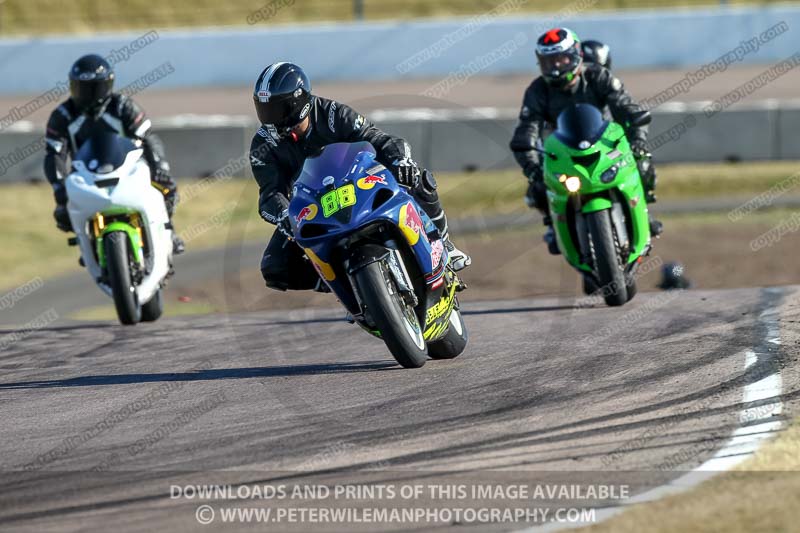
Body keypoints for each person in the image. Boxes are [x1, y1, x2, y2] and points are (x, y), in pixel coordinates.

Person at [249, 62, 470, 291]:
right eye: (264, 110)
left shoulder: (333, 114)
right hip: (314, 206)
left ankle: (444, 244)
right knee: (274, 267)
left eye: (276, 109)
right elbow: (269, 194)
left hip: (357, 184)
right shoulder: (262, 145)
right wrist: (285, 215)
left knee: (418, 179)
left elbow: (380, 140)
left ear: (297, 103)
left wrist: (401, 160)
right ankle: (350, 286)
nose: (269, 118)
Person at [510, 28, 660, 255]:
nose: (556, 66)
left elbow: (627, 107)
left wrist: (637, 140)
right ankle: (553, 225)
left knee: (644, 164)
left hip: (606, 144)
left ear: (576, 55)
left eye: (561, 59)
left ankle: (644, 211)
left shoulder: (598, 75)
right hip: (562, 150)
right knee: (537, 190)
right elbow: (526, 129)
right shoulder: (537, 90)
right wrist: (532, 168)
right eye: (548, 62)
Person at [44, 54, 184, 253]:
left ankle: (169, 232)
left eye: (95, 88)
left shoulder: (123, 106)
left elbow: (148, 138)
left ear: (108, 85)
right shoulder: (62, 115)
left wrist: (160, 167)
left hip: (128, 168)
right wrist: (59, 187)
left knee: (167, 187)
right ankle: (87, 246)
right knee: (63, 214)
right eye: (82, 88)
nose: (89, 95)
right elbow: (54, 154)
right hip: (86, 177)